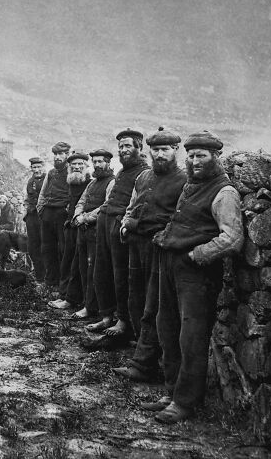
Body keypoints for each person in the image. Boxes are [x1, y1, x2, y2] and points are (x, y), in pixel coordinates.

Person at [147, 130, 243, 424]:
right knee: (167, 327)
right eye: (190, 156)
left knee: (191, 337)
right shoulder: (191, 186)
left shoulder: (224, 192)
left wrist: (199, 254)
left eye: (201, 155)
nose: (194, 161)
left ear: (216, 158)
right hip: (171, 266)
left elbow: (233, 237)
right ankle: (172, 391)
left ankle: (185, 402)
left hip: (196, 274)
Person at [112, 127, 187, 382]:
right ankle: (141, 353)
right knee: (136, 298)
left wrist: (157, 234)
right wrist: (125, 223)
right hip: (136, 245)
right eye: (155, 150)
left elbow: (179, 217)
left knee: (155, 306)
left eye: (165, 150)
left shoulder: (184, 180)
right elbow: (132, 206)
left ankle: (148, 364)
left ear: (175, 151)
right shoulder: (143, 177)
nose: (160, 155)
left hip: (160, 248)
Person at [88, 128, 149, 339]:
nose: (123, 150)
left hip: (118, 224)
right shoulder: (122, 172)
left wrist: (123, 224)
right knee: (101, 269)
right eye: (121, 146)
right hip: (105, 220)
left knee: (120, 274)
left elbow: (138, 204)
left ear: (139, 148)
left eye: (128, 146)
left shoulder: (144, 172)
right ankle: (106, 316)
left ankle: (123, 321)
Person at [67, 149, 115, 320]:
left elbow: (106, 206)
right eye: (95, 161)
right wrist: (77, 215)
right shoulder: (92, 183)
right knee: (82, 267)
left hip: (97, 232)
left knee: (93, 269)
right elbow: (81, 201)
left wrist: (86, 217)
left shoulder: (111, 182)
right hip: (83, 231)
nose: (97, 165)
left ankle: (92, 308)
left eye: (101, 161)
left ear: (108, 163)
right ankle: (85, 303)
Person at [48, 152, 90, 309]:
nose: (77, 167)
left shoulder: (89, 183)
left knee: (76, 264)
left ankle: (72, 299)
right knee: (66, 262)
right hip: (69, 226)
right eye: (74, 165)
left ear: (87, 166)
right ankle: (64, 295)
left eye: (81, 164)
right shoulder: (72, 182)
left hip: (81, 227)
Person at [36, 141, 71, 288]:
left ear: (67, 155)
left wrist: (67, 210)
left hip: (62, 213)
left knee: (63, 249)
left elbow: (74, 195)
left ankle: (63, 284)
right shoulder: (51, 173)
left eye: (61, 154)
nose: (57, 157)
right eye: (55, 154)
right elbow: (43, 193)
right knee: (47, 248)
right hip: (48, 214)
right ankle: (50, 281)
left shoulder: (72, 171)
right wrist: (41, 209)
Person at [23, 157, 46, 281]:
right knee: (33, 246)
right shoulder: (30, 181)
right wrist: (25, 212)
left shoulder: (49, 179)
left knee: (45, 245)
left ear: (43, 167)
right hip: (32, 217)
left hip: (44, 216)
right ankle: (38, 275)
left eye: (39, 167)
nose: (37, 170)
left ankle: (47, 276)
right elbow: (27, 198)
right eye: (34, 167)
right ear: (31, 168)